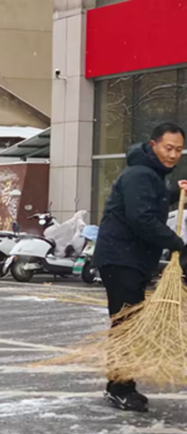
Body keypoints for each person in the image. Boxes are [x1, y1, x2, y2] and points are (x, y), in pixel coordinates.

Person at [93, 122, 187, 413]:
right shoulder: (141, 174)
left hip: (129, 259)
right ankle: (120, 387)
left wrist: (174, 194)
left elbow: (150, 205)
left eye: (179, 150)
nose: (173, 155)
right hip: (121, 258)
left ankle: (121, 385)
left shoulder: (150, 175)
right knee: (126, 324)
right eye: (168, 148)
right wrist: (178, 244)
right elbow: (141, 218)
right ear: (153, 145)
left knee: (127, 322)